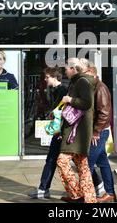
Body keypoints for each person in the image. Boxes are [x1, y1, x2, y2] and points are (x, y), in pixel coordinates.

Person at [56, 58, 97, 203]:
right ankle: (89, 199)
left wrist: (69, 100)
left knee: (62, 162)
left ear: (73, 68)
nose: (65, 71)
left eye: (66, 68)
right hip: (78, 131)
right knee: (83, 166)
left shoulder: (82, 82)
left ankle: (77, 195)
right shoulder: (78, 82)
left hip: (78, 133)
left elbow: (87, 103)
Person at [28, 67, 67, 199]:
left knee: (53, 159)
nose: (45, 80)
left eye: (47, 77)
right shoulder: (55, 90)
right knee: (52, 159)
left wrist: (60, 130)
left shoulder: (62, 91)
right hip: (59, 131)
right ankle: (43, 189)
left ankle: (43, 189)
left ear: (54, 77)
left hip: (61, 132)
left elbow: (63, 112)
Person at [82, 60, 117, 203]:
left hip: (99, 133)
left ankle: (86, 195)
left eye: (86, 75)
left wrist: (96, 132)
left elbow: (104, 113)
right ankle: (110, 193)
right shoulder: (93, 87)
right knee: (103, 163)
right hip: (98, 131)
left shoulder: (100, 88)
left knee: (87, 164)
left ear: (93, 74)